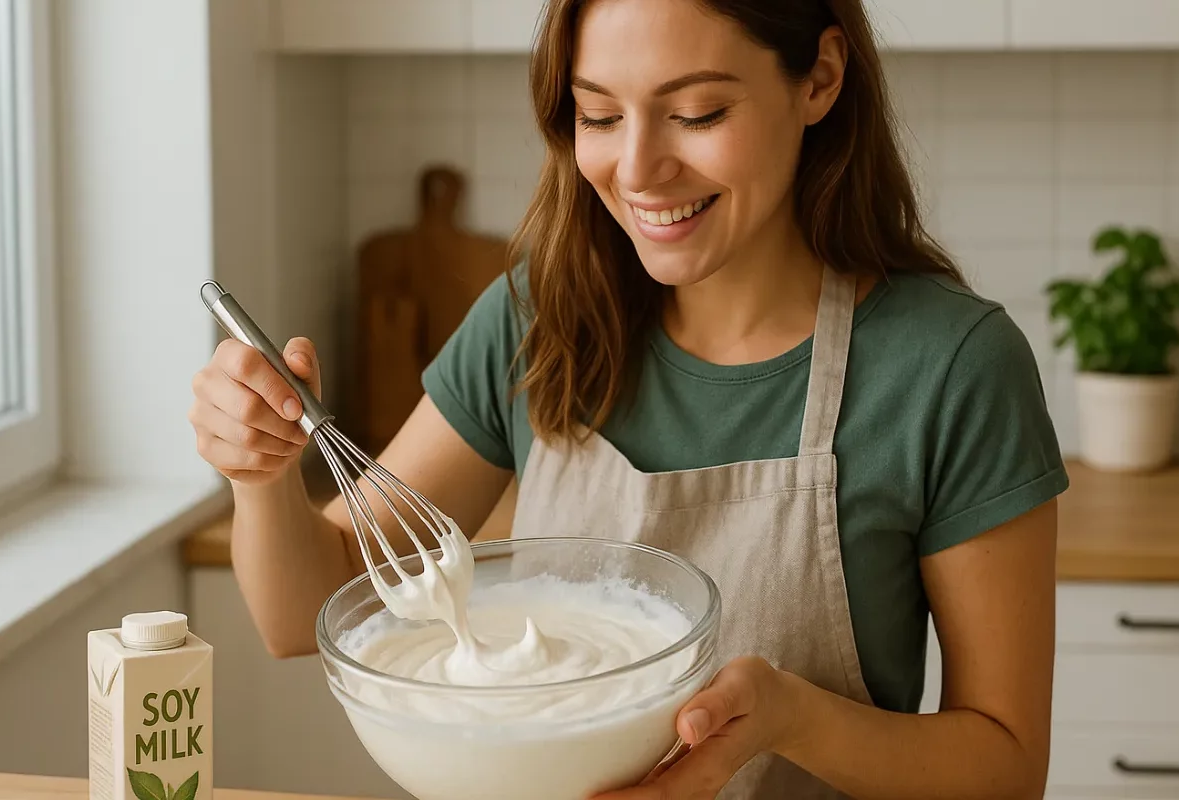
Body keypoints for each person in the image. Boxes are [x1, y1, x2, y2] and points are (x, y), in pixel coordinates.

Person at [188, 0, 1069, 797]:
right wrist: (261, 474)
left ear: (821, 79)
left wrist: (791, 718)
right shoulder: (540, 317)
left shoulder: (951, 367)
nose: (639, 169)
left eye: (698, 113)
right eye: (600, 115)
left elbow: (1005, 767)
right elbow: (312, 608)